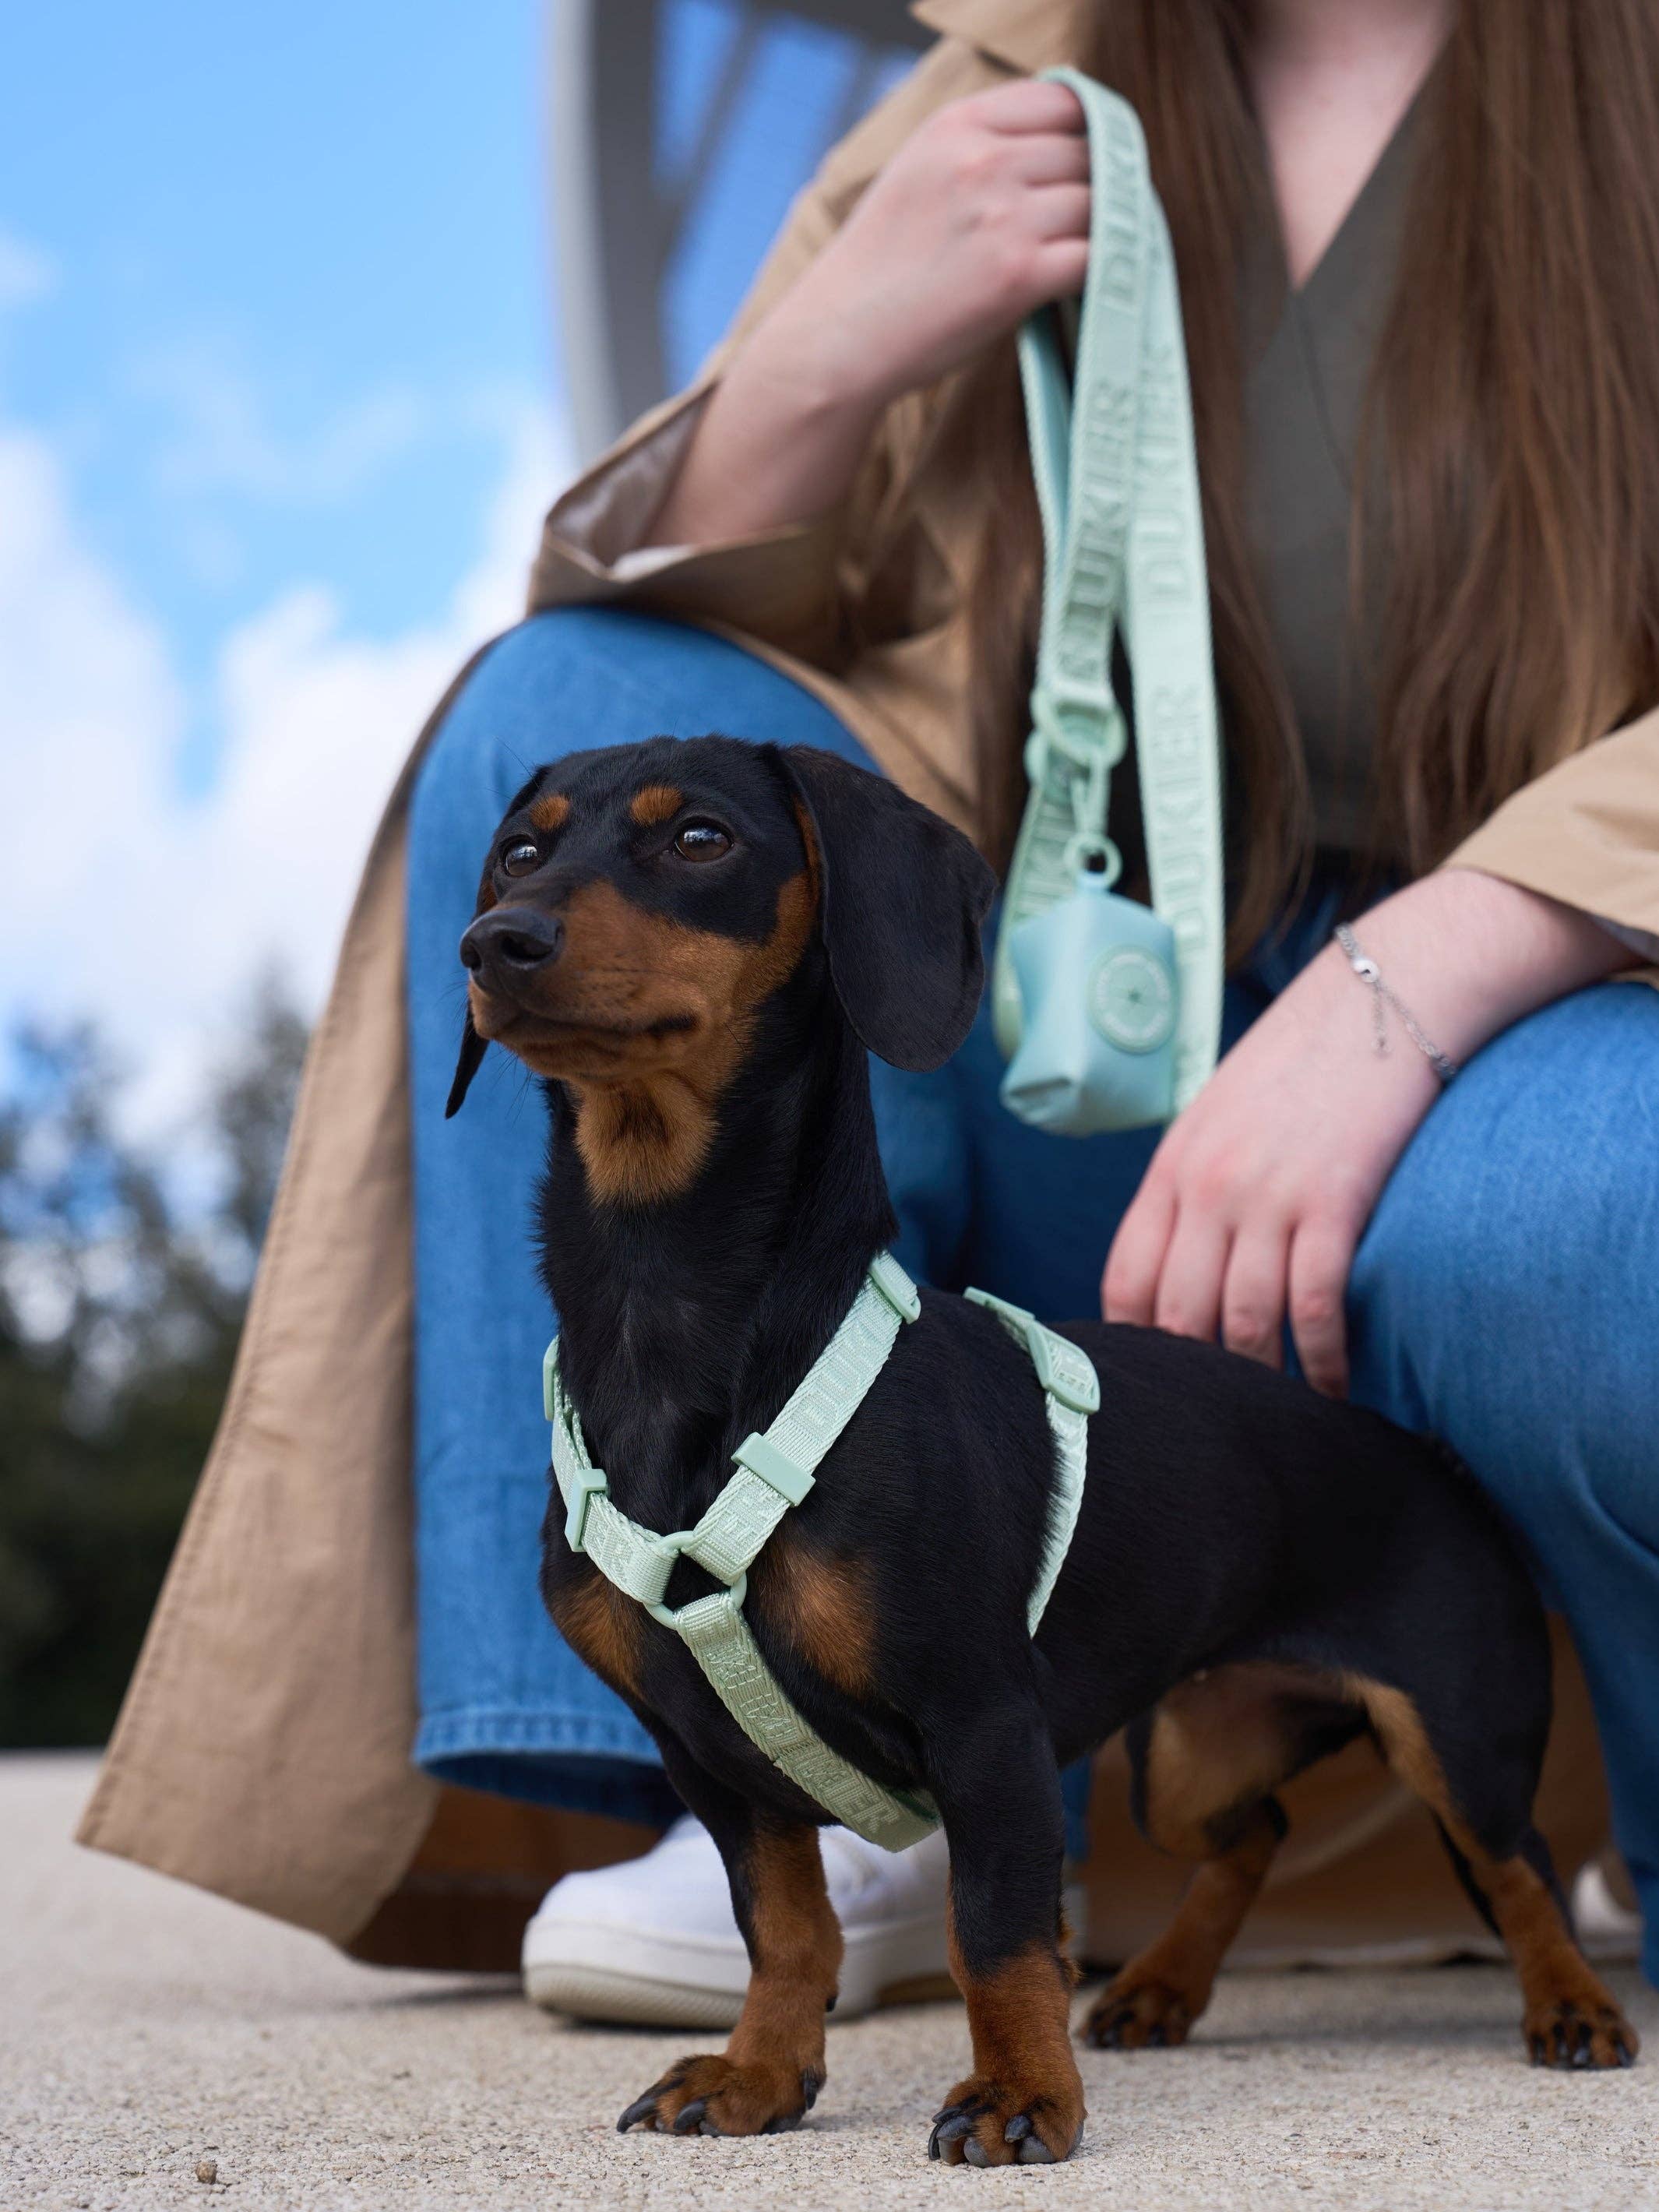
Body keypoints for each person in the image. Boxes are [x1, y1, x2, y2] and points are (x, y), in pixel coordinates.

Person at [82, 0, 1657, 2009]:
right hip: (1065, 1031)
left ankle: (1605, 1808)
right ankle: (762, 1775)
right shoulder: (1008, 70)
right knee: (553, 714)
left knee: (1601, 1214)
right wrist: (825, 358)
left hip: (1556, 999)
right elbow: (728, 625)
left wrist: (1435, 962)